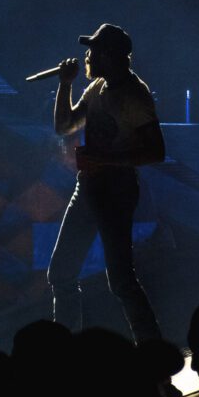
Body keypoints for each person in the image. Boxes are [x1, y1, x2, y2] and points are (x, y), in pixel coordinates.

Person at [47, 23, 165, 343]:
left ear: (109, 55)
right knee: (61, 273)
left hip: (116, 189)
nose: (87, 57)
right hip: (88, 187)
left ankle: (151, 348)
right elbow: (64, 126)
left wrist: (106, 161)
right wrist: (65, 85)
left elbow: (156, 150)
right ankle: (65, 349)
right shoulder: (97, 87)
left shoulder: (134, 94)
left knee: (121, 280)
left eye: (93, 51)